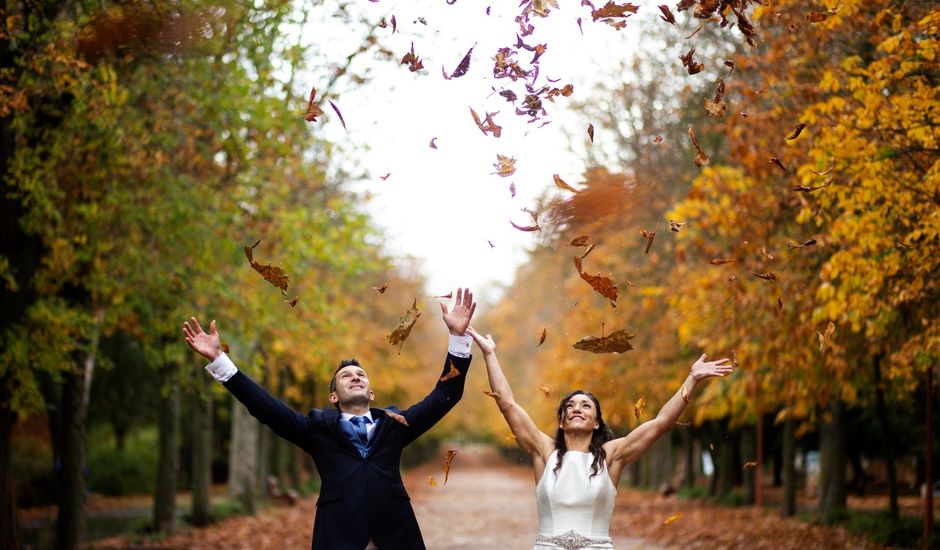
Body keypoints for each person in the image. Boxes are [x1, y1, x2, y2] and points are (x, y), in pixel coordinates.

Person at [182, 288, 477, 550]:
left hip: (397, 534)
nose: (355, 377)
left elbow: (445, 396)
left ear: (371, 392)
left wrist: (458, 339)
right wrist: (219, 360)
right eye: (346, 376)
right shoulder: (316, 429)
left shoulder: (395, 424)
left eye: (361, 375)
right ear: (333, 397)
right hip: (339, 536)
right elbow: (264, 406)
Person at [465, 327, 732, 550]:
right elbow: (508, 404)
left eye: (585, 405)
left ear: (595, 423)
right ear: (561, 420)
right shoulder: (544, 452)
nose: (576, 408)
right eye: (570, 406)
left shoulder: (611, 456)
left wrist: (692, 378)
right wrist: (490, 354)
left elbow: (661, 423)